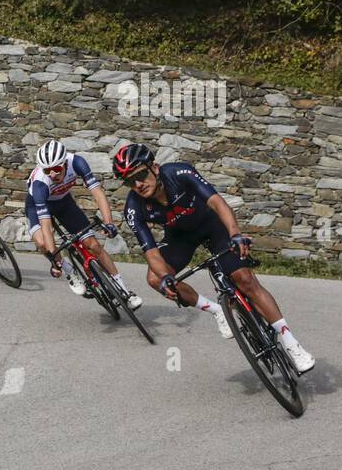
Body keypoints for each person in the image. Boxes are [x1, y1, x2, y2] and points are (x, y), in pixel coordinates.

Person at [115, 143, 314, 372]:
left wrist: (235, 235)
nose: (138, 184)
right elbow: (150, 251)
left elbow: (217, 203)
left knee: (244, 278)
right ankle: (216, 310)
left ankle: (290, 343)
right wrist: (165, 278)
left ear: (155, 168)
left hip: (212, 226)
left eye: (140, 175)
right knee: (154, 278)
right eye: (130, 181)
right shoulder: (133, 207)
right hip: (180, 238)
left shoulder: (179, 173)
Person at [25, 139, 142, 309]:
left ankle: (125, 291)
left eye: (56, 169)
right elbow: (46, 226)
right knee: (43, 242)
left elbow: (98, 194)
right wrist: (54, 258)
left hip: (64, 202)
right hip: (36, 206)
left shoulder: (77, 163)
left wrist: (109, 223)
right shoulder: (40, 184)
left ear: (65, 163)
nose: (52, 174)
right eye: (47, 170)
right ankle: (69, 272)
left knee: (93, 245)